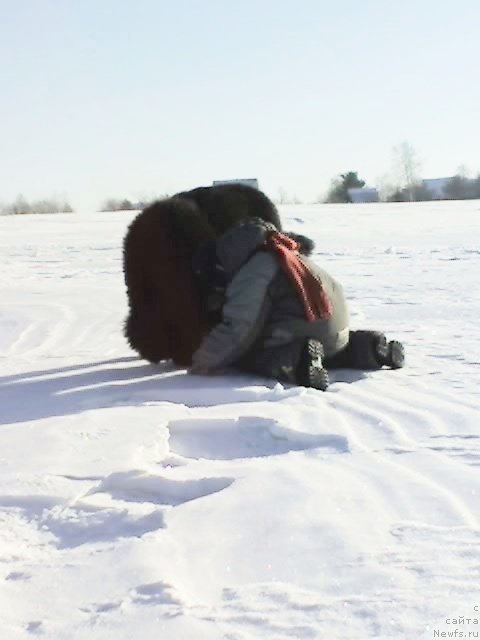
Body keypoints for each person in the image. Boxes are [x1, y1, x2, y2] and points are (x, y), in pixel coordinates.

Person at [189, 218, 404, 391]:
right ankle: (370, 348)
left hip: (304, 333)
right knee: (334, 348)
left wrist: (202, 360)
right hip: (337, 330)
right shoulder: (288, 252)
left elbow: (239, 329)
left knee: (248, 354)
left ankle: (298, 360)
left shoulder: (255, 271)